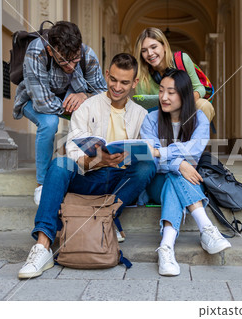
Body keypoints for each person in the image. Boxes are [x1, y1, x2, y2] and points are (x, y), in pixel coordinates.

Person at [18, 53, 156, 279]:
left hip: (121, 184)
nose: (117, 87)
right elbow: (72, 150)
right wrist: (98, 161)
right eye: (113, 80)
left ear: (134, 83)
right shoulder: (88, 107)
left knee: (146, 167)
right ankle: (42, 247)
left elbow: (150, 151)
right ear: (107, 75)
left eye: (124, 83)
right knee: (60, 163)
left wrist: (130, 156)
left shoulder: (142, 115)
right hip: (90, 177)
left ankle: (108, 215)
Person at [140, 69, 230, 276]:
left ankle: (166, 247)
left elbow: (192, 154)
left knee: (176, 175)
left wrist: (171, 160)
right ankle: (206, 229)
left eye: (171, 92)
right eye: (161, 91)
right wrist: (179, 163)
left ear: (184, 94)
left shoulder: (199, 119)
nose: (164, 97)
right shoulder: (151, 119)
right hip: (156, 182)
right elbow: (150, 158)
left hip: (181, 180)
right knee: (177, 172)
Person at [13, 21, 107, 205]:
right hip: (33, 99)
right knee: (49, 123)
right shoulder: (36, 52)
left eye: (74, 59)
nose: (71, 66)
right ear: (50, 51)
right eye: (63, 60)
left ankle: (90, 173)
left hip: (68, 98)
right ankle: (42, 183)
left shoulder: (87, 55)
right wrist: (75, 105)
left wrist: (84, 97)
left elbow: (102, 94)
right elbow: (42, 102)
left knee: (96, 116)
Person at [133, 27, 215, 122]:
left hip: (185, 109)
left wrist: (185, 102)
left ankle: (198, 136)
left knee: (204, 105)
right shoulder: (140, 74)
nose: (150, 53)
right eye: (144, 50)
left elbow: (200, 88)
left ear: (164, 46)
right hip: (159, 115)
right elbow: (143, 108)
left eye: (154, 47)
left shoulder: (182, 60)